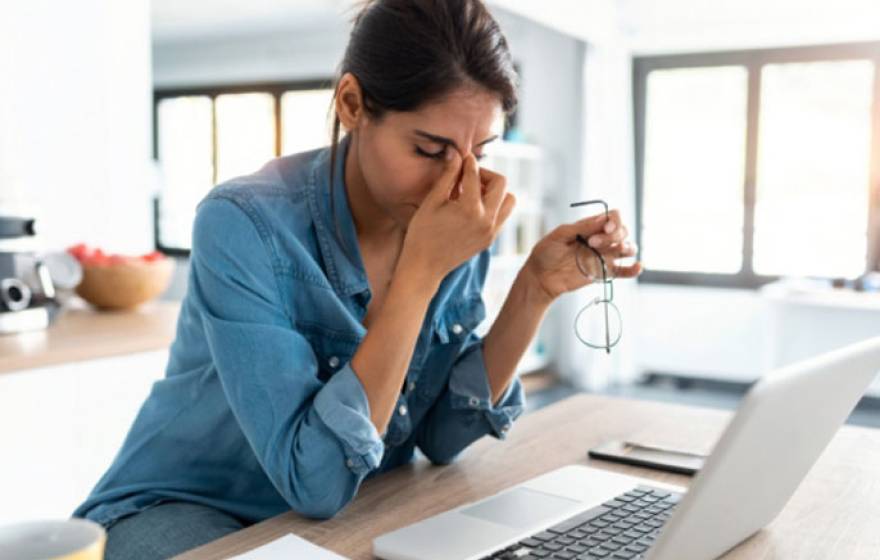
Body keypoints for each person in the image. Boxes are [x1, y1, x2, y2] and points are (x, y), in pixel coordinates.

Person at [72, 0, 640, 557]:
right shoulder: (243, 223)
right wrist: (420, 274)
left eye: (480, 150)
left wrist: (534, 289)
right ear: (351, 103)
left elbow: (443, 437)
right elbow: (314, 482)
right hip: (185, 507)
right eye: (430, 149)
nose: (460, 183)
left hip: (340, 511)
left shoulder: (450, 219)